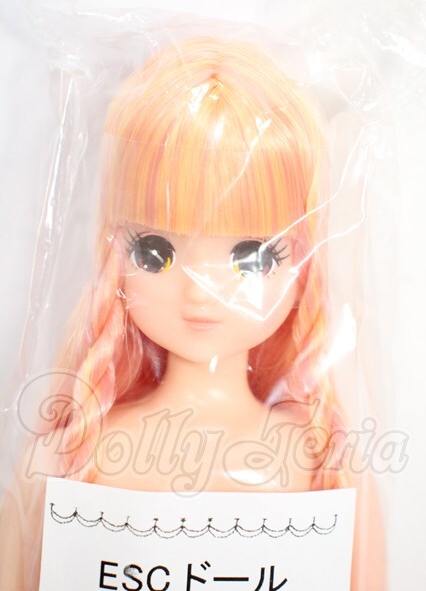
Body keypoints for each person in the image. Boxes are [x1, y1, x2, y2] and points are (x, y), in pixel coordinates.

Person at [0, 36, 385, 589]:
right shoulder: (76, 454)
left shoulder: (323, 463)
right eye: (154, 252)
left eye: (252, 256)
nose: (201, 293)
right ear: (112, 253)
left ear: (304, 262)